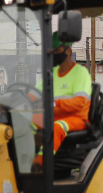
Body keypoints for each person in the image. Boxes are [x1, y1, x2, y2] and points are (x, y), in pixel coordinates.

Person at [33, 33, 91, 165]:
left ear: (68, 50)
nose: (54, 54)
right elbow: (34, 93)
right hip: (53, 116)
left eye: (57, 50)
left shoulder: (80, 73)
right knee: (26, 123)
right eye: (52, 51)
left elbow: (79, 102)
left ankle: (40, 165)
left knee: (56, 127)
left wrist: (54, 103)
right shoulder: (52, 74)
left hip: (76, 119)